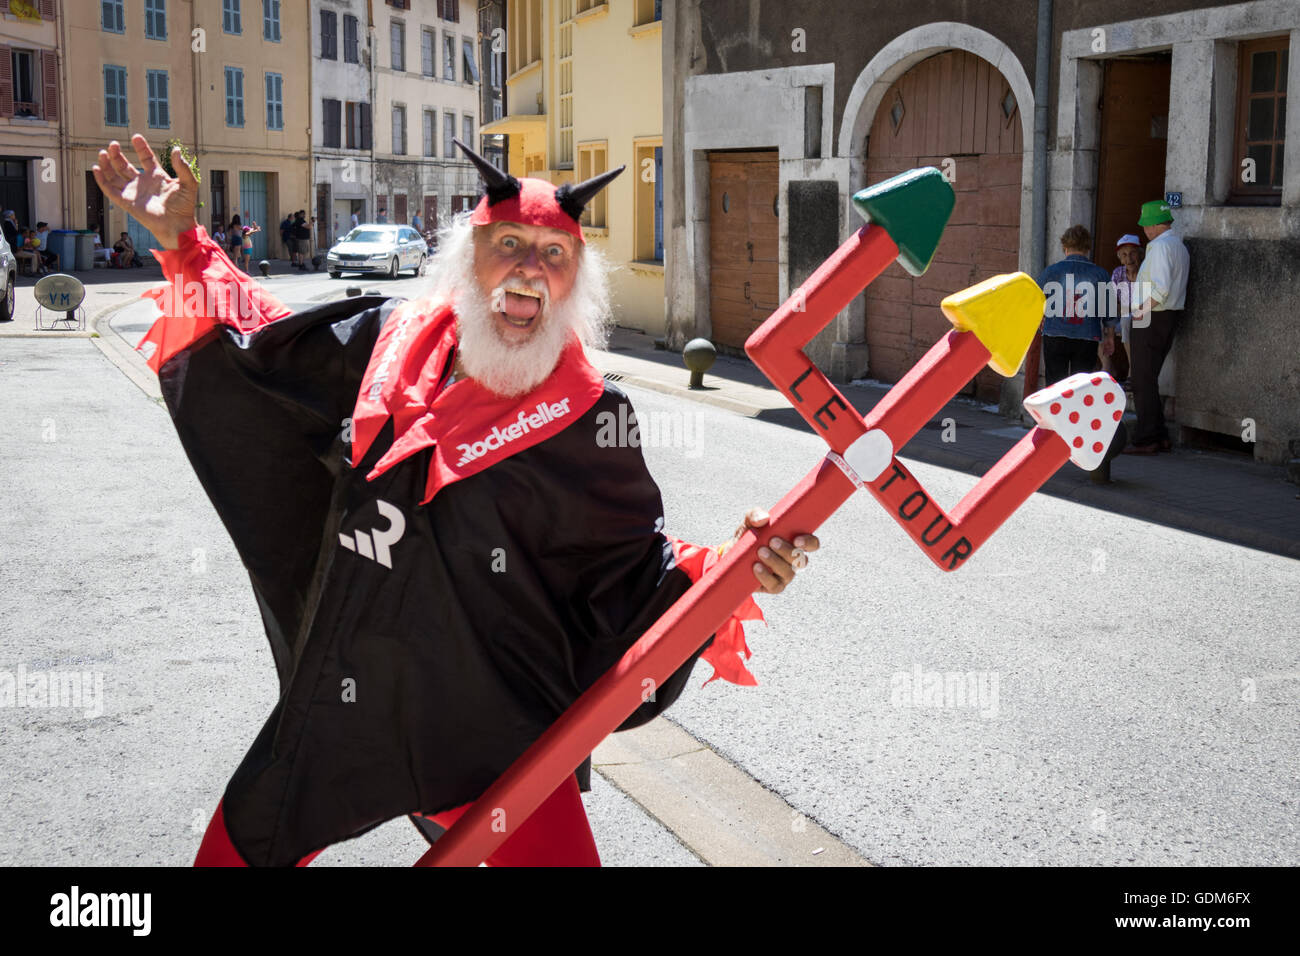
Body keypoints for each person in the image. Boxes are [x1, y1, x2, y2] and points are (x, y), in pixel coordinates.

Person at [93, 133, 821, 867]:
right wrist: (180, 237)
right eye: (509, 243)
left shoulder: (592, 418)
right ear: (467, 260)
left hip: (492, 727)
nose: (530, 268)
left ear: (574, 285)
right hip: (343, 697)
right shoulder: (382, 340)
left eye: (554, 254)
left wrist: (728, 570)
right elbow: (264, 342)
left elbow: (631, 572)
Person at [1124, 200, 1189, 455]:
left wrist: (1140, 311)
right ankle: (1159, 435)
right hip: (1168, 315)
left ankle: (1147, 438)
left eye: (1146, 226)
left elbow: (1160, 288)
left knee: (1141, 379)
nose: (1144, 231)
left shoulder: (1160, 247)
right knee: (1148, 378)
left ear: (1154, 225)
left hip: (1153, 315)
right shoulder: (1178, 246)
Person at [1034, 225, 1115, 386]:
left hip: (1055, 333)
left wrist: (1040, 319)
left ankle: (1056, 411)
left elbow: (1035, 301)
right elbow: (1109, 311)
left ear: (1065, 247)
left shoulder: (1051, 271)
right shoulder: (1100, 274)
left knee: (1055, 385)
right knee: (1080, 387)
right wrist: (1110, 338)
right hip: (1087, 336)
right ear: (1087, 248)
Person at [1103, 234, 1142, 385]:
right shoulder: (1118, 273)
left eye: (1132, 253)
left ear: (1140, 254)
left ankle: (1133, 370)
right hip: (1124, 316)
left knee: (1126, 320)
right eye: (1124, 255)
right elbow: (1111, 301)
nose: (1129, 259)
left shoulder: (1146, 271)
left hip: (1143, 319)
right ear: (1120, 258)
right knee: (1097, 320)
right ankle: (1108, 367)